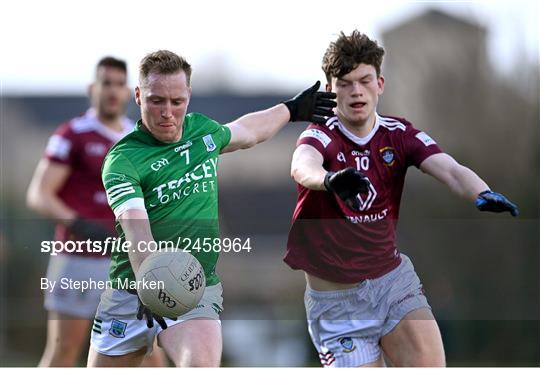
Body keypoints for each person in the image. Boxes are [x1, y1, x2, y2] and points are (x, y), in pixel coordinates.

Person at [86, 49, 336, 367]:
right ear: (138, 96)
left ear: (188, 95)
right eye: (156, 100)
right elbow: (137, 231)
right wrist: (153, 284)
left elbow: (248, 132)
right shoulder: (123, 160)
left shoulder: (201, 132)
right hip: (131, 291)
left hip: (192, 285)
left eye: (177, 102)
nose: (167, 112)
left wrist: (291, 109)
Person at [285, 30, 519, 367]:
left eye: (364, 80)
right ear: (329, 89)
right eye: (345, 83)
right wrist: (330, 180)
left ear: (380, 84)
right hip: (335, 303)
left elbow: (450, 169)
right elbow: (301, 166)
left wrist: (481, 191)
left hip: (391, 285)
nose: (356, 91)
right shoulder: (320, 135)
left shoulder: (399, 134)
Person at [26, 57, 165, 367]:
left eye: (119, 84)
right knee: (65, 351)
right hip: (78, 260)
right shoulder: (73, 134)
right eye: (106, 83)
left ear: (130, 91)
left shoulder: (140, 139)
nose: (112, 91)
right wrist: (81, 225)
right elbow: (39, 194)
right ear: (93, 88)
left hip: (130, 265)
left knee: (151, 355)